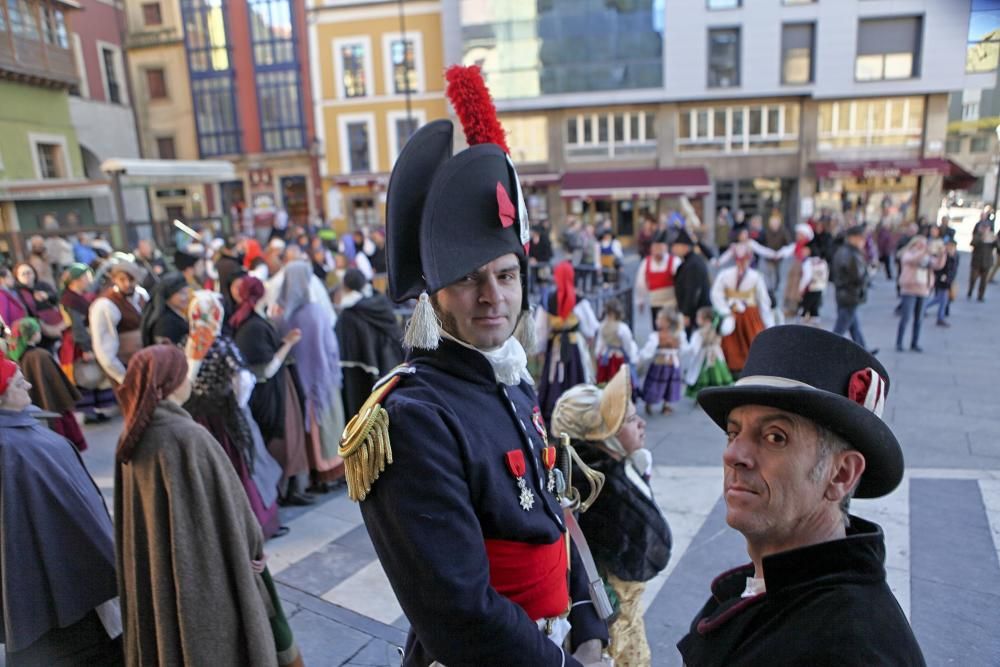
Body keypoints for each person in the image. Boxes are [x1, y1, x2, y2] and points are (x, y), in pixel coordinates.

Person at [338, 65, 611, 666]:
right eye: (468, 280)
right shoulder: (411, 417)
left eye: (506, 276)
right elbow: (459, 611)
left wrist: (588, 623)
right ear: (433, 297)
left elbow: (551, 509)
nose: (493, 297)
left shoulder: (511, 378)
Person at [678, 325, 926, 666]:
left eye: (775, 437)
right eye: (733, 432)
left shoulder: (848, 647)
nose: (734, 454)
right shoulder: (787, 591)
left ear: (840, 474)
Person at [114, 345, 302, 667]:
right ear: (169, 384)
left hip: (161, 571)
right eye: (184, 374)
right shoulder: (190, 438)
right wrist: (253, 549)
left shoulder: (132, 437)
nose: (190, 380)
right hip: (206, 572)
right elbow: (237, 511)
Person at [0, 357, 124, 666]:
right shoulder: (13, 449)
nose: (28, 385)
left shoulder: (24, 436)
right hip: (55, 592)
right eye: (18, 383)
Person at [550, 366, 672, 667]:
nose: (642, 423)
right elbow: (650, 555)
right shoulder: (603, 491)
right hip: (612, 627)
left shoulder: (580, 474)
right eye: (629, 420)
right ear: (603, 435)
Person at [184, 290, 284, 538]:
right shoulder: (222, 345)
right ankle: (252, 525)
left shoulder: (189, 343)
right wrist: (237, 404)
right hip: (225, 415)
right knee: (241, 466)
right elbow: (243, 379)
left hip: (197, 416)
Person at [230, 275, 313, 506]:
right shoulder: (253, 326)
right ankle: (283, 491)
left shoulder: (246, 320)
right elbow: (266, 369)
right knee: (282, 441)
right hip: (269, 393)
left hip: (270, 391)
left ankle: (287, 489)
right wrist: (288, 343)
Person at [276, 260, 346, 490]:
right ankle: (330, 471)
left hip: (298, 383)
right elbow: (329, 346)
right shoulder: (314, 311)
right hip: (323, 380)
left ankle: (315, 471)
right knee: (328, 425)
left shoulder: (281, 314)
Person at [7, 317, 88, 451]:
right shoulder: (42, 355)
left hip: (34, 408)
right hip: (53, 406)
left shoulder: (17, 357)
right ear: (33, 335)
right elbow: (56, 383)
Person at [335, 268, 404, 418]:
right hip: (389, 365)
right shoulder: (379, 301)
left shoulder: (348, 315)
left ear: (346, 286)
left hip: (359, 375)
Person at [536, 260, 599, 424]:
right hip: (575, 347)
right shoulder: (579, 301)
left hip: (555, 347)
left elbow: (541, 330)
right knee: (577, 377)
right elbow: (591, 329)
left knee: (553, 380)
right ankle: (579, 418)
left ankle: (554, 416)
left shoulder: (547, 301)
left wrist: (541, 349)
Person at [58, 263, 116, 422]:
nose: (89, 280)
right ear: (76, 280)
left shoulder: (77, 296)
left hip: (84, 340)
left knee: (94, 376)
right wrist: (85, 348)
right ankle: (88, 413)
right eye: (86, 277)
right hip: (77, 343)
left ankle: (96, 410)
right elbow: (77, 326)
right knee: (84, 376)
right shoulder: (70, 299)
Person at [710, 244, 774, 375]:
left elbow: (763, 300)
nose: (742, 263)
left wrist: (769, 322)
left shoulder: (756, 277)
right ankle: (732, 367)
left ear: (750, 260)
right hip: (731, 313)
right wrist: (724, 309)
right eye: (740, 260)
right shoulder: (725, 275)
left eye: (745, 260)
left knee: (751, 339)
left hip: (749, 314)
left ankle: (752, 366)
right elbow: (716, 294)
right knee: (729, 340)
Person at [90, 254, 149, 385]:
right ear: (114, 279)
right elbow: (104, 347)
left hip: (148, 361)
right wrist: (122, 376)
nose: (127, 284)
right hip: (126, 365)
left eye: (132, 279)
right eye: (122, 279)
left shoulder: (142, 295)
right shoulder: (105, 305)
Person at [896, 235, 945, 353]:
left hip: (923, 290)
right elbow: (914, 260)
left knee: (919, 319)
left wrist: (943, 254)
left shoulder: (927, 257)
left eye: (923, 244)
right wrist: (925, 251)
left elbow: (938, 265)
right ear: (913, 244)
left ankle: (914, 343)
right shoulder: (908, 254)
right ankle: (899, 342)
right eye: (919, 244)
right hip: (909, 290)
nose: (922, 246)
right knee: (906, 318)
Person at [831, 224, 875, 354]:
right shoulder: (850, 254)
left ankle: (863, 350)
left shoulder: (845, 251)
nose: (863, 242)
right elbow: (858, 276)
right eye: (861, 238)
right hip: (850, 294)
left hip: (846, 294)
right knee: (840, 329)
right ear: (854, 238)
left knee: (854, 326)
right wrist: (869, 273)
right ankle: (828, 351)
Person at [639, 308, 686, 415]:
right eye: (657, 319)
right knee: (655, 384)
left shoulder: (678, 334)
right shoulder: (656, 336)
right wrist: (642, 356)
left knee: (671, 385)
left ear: (668, 322)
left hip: (673, 364)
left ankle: (666, 405)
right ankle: (649, 402)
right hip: (660, 364)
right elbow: (649, 349)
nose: (657, 321)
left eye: (660, 319)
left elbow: (683, 348)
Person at [681, 306, 734, 397]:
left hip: (704, 357)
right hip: (716, 356)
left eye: (698, 317)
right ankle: (716, 394)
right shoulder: (717, 330)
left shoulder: (699, 333)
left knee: (702, 375)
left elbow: (694, 348)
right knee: (716, 374)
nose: (696, 319)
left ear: (706, 319)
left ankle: (703, 396)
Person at [13, 261, 65, 351]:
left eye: (29, 272)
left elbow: (57, 297)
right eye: (23, 274)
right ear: (17, 277)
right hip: (38, 330)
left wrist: (47, 295)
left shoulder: (43, 285)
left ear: (34, 273)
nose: (26, 275)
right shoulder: (17, 293)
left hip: (55, 323)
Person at [670, 228, 712, 336]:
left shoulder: (693, 264)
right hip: (693, 313)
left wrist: (686, 314)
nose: (673, 248)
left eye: (676, 246)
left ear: (684, 247)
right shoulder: (689, 261)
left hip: (696, 314)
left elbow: (692, 291)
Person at [635, 231, 680, 329]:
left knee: (672, 328)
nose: (657, 251)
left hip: (671, 302)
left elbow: (680, 282)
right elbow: (640, 283)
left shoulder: (675, 261)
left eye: (660, 247)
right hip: (654, 302)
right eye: (655, 247)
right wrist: (640, 300)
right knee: (657, 328)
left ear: (666, 248)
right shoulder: (646, 262)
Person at [139, 272, 191, 347]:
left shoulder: (175, 313)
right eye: (182, 293)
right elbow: (165, 354)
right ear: (169, 295)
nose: (187, 297)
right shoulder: (164, 323)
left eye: (187, 292)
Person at [594, 298, 638, 386]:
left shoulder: (602, 326)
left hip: (606, 357)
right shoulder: (622, 328)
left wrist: (598, 354)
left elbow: (599, 343)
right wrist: (631, 356)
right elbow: (628, 344)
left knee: (606, 380)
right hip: (617, 357)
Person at [923, 239, 959, 327]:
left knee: (941, 299)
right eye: (949, 246)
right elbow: (937, 268)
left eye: (952, 247)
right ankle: (938, 317)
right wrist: (942, 277)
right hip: (942, 281)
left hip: (948, 281)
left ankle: (925, 310)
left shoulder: (954, 256)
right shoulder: (943, 256)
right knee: (941, 300)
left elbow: (954, 270)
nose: (951, 248)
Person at [797, 242, 829, 324]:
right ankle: (815, 319)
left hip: (811, 287)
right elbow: (826, 275)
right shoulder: (823, 262)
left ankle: (802, 319)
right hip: (820, 287)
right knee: (814, 305)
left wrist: (801, 288)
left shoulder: (808, 262)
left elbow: (807, 277)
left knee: (806, 305)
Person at [968, 216, 996, 301]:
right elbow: (972, 243)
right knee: (973, 279)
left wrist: (996, 240)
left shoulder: (992, 236)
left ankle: (980, 296)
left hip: (987, 262)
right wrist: (981, 237)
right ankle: (970, 291)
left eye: (987, 227)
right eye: (984, 227)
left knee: (984, 281)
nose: (985, 229)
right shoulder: (977, 235)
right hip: (977, 261)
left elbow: (997, 247)